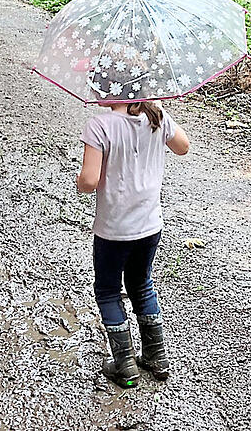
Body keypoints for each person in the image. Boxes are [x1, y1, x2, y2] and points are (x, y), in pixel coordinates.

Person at [77, 100, 190, 387]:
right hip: (150, 224)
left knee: (108, 291)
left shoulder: (100, 126)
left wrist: (80, 181)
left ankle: (125, 365)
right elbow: (183, 147)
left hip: (114, 229)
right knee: (141, 285)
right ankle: (157, 357)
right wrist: (160, 113)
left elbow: (89, 181)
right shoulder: (156, 115)